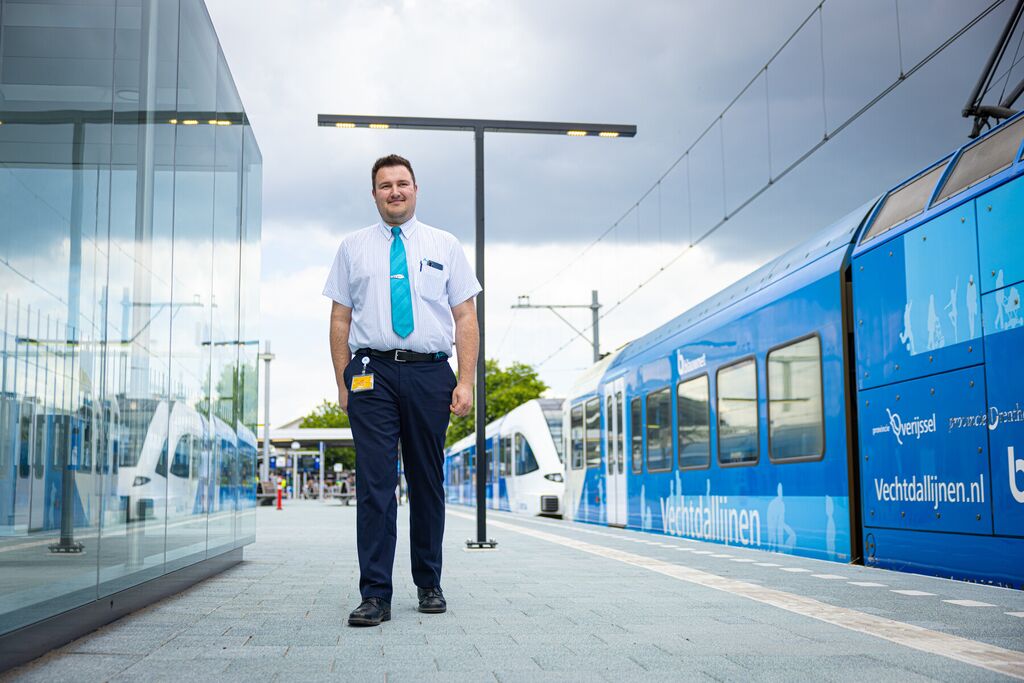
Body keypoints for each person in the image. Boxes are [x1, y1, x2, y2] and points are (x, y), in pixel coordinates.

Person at [323, 154, 480, 627]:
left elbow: (465, 316)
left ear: (415, 189)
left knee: (427, 481)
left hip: (430, 373)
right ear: (374, 194)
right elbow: (339, 319)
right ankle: (375, 594)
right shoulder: (352, 248)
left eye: (402, 183)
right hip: (370, 373)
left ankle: (429, 583)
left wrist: (466, 380)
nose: (395, 191)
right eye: (385, 185)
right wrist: (343, 381)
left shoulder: (445, 244)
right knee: (375, 485)